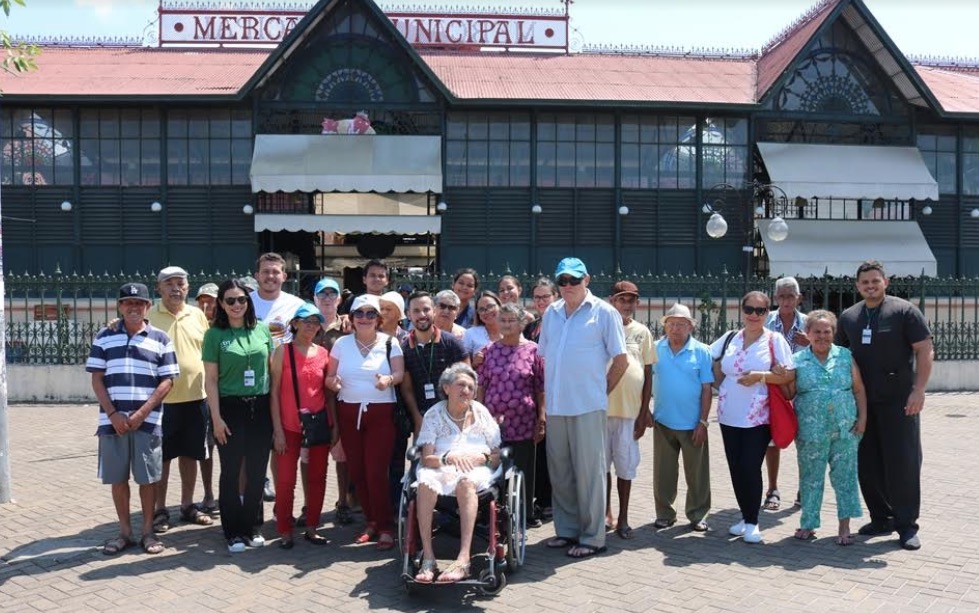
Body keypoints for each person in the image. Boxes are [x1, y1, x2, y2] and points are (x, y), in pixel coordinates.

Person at [836, 260, 933, 551]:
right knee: (868, 464)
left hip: (900, 401)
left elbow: (925, 350)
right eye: (865, 282)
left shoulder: (905, 311)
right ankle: (881, 518)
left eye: (875, 281)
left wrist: (919, 390)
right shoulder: (849, 316)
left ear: (885, 282)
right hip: (863, 402)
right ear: (857, 286)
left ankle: (906, 525)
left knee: (902, 463)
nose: (870, 286)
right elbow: (841, 357)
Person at [539, 257, 627, 559]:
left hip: (588, 405)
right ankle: (566, 530)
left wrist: (600, 391)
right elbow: (545, 357)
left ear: (586, 280)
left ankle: (593, 536)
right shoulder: (550, 313)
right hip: (556, 405)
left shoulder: (604, 313)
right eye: (562, 281)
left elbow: (621, 360)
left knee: (590, 472)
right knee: (560, 471)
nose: (567, 286)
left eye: (573, 280)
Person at [87, 282, 179, 556]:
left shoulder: (161, 338)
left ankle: (147, 532)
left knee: (147, 479)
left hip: (147, 422)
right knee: (118, 479)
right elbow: (97, 379)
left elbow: (167, 381)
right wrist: (113, 414)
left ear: (148, 306)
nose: (133, 307)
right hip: (111, 422)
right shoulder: (105, 336)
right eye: (128, 303)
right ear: (120, 306)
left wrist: (142, 413)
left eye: (139, 303)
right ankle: (124, 532)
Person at [710, 291, 796, 544]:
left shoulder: (774, 340)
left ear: (767, 313)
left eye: (760, 311)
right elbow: (708, 357)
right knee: (736, 468)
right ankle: (744, 516)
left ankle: (752, 521)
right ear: (742, 310)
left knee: (750, 467)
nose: (754, 315)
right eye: (749, 309)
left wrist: (761, 375)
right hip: (728, 414)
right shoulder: (730, 338)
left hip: (758, 416)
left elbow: (788, 375)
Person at [326, 294, 404, 551]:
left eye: (371, 314)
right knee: (357, 472)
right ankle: (371, 522)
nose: (365, 318)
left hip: (380, 415)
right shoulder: (341, 344)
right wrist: (333, 383)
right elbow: (330, 378)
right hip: (349, 413)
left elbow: (399, 373)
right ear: (352, 317)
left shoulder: (390, 342)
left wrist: (388, 381)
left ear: (379, 319)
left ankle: (385, 527)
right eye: (360, 313)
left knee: (375, 472)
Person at [202, 279, 275, 553]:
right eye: (230, 300)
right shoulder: (214, 335)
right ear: (221, 303)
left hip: (260, 406)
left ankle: (252, 526)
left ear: (249, 302)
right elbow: (210, 380)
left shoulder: (262, 330)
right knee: (231, 472)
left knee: (257, 472)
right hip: (229, 407)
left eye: (241, 300)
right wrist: (216, 418)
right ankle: (232, 531)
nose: (236, 305)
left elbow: (271, 372)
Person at [413, 363, 502, 584]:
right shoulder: (434, 414)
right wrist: (448, 458)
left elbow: (496, 454)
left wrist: (481, 457)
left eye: (470, 387)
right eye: (460, 385)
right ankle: (429, 558)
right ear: (446, 388)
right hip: (441, 466)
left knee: (465, 482)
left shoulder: (481, 412)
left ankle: (463, 559)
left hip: (475, 468)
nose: (466, 391)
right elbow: (427, 458)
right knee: (425, 482)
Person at [783, 310, 867, 545]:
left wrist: (863, 419)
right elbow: (789, 393)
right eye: (816, 331)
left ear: (833, 333)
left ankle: (844, 525)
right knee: (810, 478)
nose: (822, 336)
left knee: (845, 478)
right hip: (810, 432)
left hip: (845, 429)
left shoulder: (845, 356)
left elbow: (858, 389)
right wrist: (780, 378)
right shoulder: (797, 360)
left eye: (826, 331)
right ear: (807, 334)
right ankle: (808, 523)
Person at [147, 266, 214, 535]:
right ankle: (160, 509)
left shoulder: (197, 314)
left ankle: (187, 505)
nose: (176, 288)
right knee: (161, 458)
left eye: (181, 283)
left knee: (191, 454)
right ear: (159, 288)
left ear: (188, 288)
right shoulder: (149, 315)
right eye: (169, 283)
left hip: (196, 397)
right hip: (162, 400)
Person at [270, 303, 335, 549]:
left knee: (318, 478)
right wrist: (277, 430)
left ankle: (312, 526)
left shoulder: (323, 354)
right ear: (295, 323)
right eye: (306, 320)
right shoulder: (281, 352)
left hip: (317, 424)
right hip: (288, 426)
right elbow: (274, 393)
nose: (311, 325)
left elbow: (328, 394)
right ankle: (285, 530)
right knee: (286, 480)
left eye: (316, 322)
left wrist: (334, 425)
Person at [396, 291, 468, 507]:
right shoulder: (404, 348)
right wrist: (418, 418)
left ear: (434, 311)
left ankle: (454, 511)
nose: (422, 314)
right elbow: (407, 389)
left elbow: (467, 381)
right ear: (408, 314)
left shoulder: (451, 343)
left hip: (452, 418)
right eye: (416, 310)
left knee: (453, 468)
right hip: (423, 420)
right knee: (422, 470)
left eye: (426, 309)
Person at [477, 302, 545, 527]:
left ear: (521, 323)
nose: (506, 324)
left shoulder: (533, 350)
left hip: (524, 421)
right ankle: (492, 514)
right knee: (492, 467)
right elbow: (482, 386)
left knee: (523, 468)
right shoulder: (490, 350)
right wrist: (478, 415)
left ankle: (523, 514)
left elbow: (539, 387)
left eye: (511, 320)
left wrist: (541, 418)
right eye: (503, 320)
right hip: (493, 423)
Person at [652, 303, 714, 532]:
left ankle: (698, 515)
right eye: (671, 324)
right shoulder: (656, 348)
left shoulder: (702, 351)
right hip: (663, 421)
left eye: (681, 324)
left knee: (697, 474)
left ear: (690, 327)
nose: (675, 328)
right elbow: (645, 381)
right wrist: (644, 411)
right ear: (665, 326)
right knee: (663, 472)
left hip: (693, 424)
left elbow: (707, 389)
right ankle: (665, 513)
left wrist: (704, 422)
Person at [250, 253, 305, 503]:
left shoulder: (295, 304)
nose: (270, 276)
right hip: (252, 380)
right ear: (256, 275)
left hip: (285, 381)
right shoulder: (246, 302)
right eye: (265, 272)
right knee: (255, 437)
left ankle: (280, 496)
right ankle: (255, 486)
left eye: (275, 272)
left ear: (284, 275)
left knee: (279, 440)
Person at [604, 281, 655, 539]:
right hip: (601, 410)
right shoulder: (601, 328)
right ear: (612, 301)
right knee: (602, 466)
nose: (626, 304)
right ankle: (606, 513)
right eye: (621, 299)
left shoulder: (642, 332)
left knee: (625, 466)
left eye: (631, 300)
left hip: (629, 411)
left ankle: (623, 518)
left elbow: (647, 372)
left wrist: (645, 411)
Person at [762, 276, 809, 511]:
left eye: (791, 295)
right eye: (782, 296)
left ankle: (803, 488)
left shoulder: (809, 324)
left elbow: (828, 351)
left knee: (804, 440)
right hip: (774, 390)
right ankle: (772, 489)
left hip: (804, 390)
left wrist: (811, 343)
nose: (787, 300)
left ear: (798, 298)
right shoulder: (766, 321)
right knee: (773, 440)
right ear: (775, 298)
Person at [311, 277, 352, 525]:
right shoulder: (308, 324)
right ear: (315, 298)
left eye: (331, 294)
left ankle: (343, 502)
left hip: (340, 397)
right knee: (312, 456)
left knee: (342, 455)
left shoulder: (348, 326)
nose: (327, 298)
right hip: (314, 398)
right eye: (322, 294)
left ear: (339, 299)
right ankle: (310, 504)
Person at [523, 276, 558, 521]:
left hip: (558, 393)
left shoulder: (562, 323)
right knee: (539, 450)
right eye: (537, 297)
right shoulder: (531, 327)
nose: (541, 301)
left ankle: (552, 500)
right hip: (535, 394)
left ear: (555, 297)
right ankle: (540, 498)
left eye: (546, 296)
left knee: (556, 451)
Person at [194, 281, 220, 515]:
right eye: (203, 300)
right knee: (206, 449)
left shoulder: (223, 326)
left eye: (211, 300)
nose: (207, 305)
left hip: (226, 394)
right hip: (202, 396)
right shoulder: (195, 324)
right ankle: (208, 493)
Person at [462, 290, 503, 366]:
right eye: (481, 309)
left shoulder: (512, 330)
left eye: (490, 306)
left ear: (499, 306)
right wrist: (474, 363)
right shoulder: (470, 334)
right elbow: (463, 368)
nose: (487, 311)